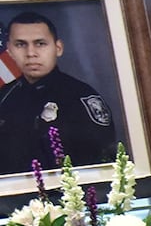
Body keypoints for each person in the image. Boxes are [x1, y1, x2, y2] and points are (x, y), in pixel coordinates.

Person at [0, 11, 118, 173]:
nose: (30, 53)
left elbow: (101, 162)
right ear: (10, 51)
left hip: (68, 194)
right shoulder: (4, 97)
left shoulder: (80, 97)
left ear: (58, 48)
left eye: (40, 43)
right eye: (21, 44)